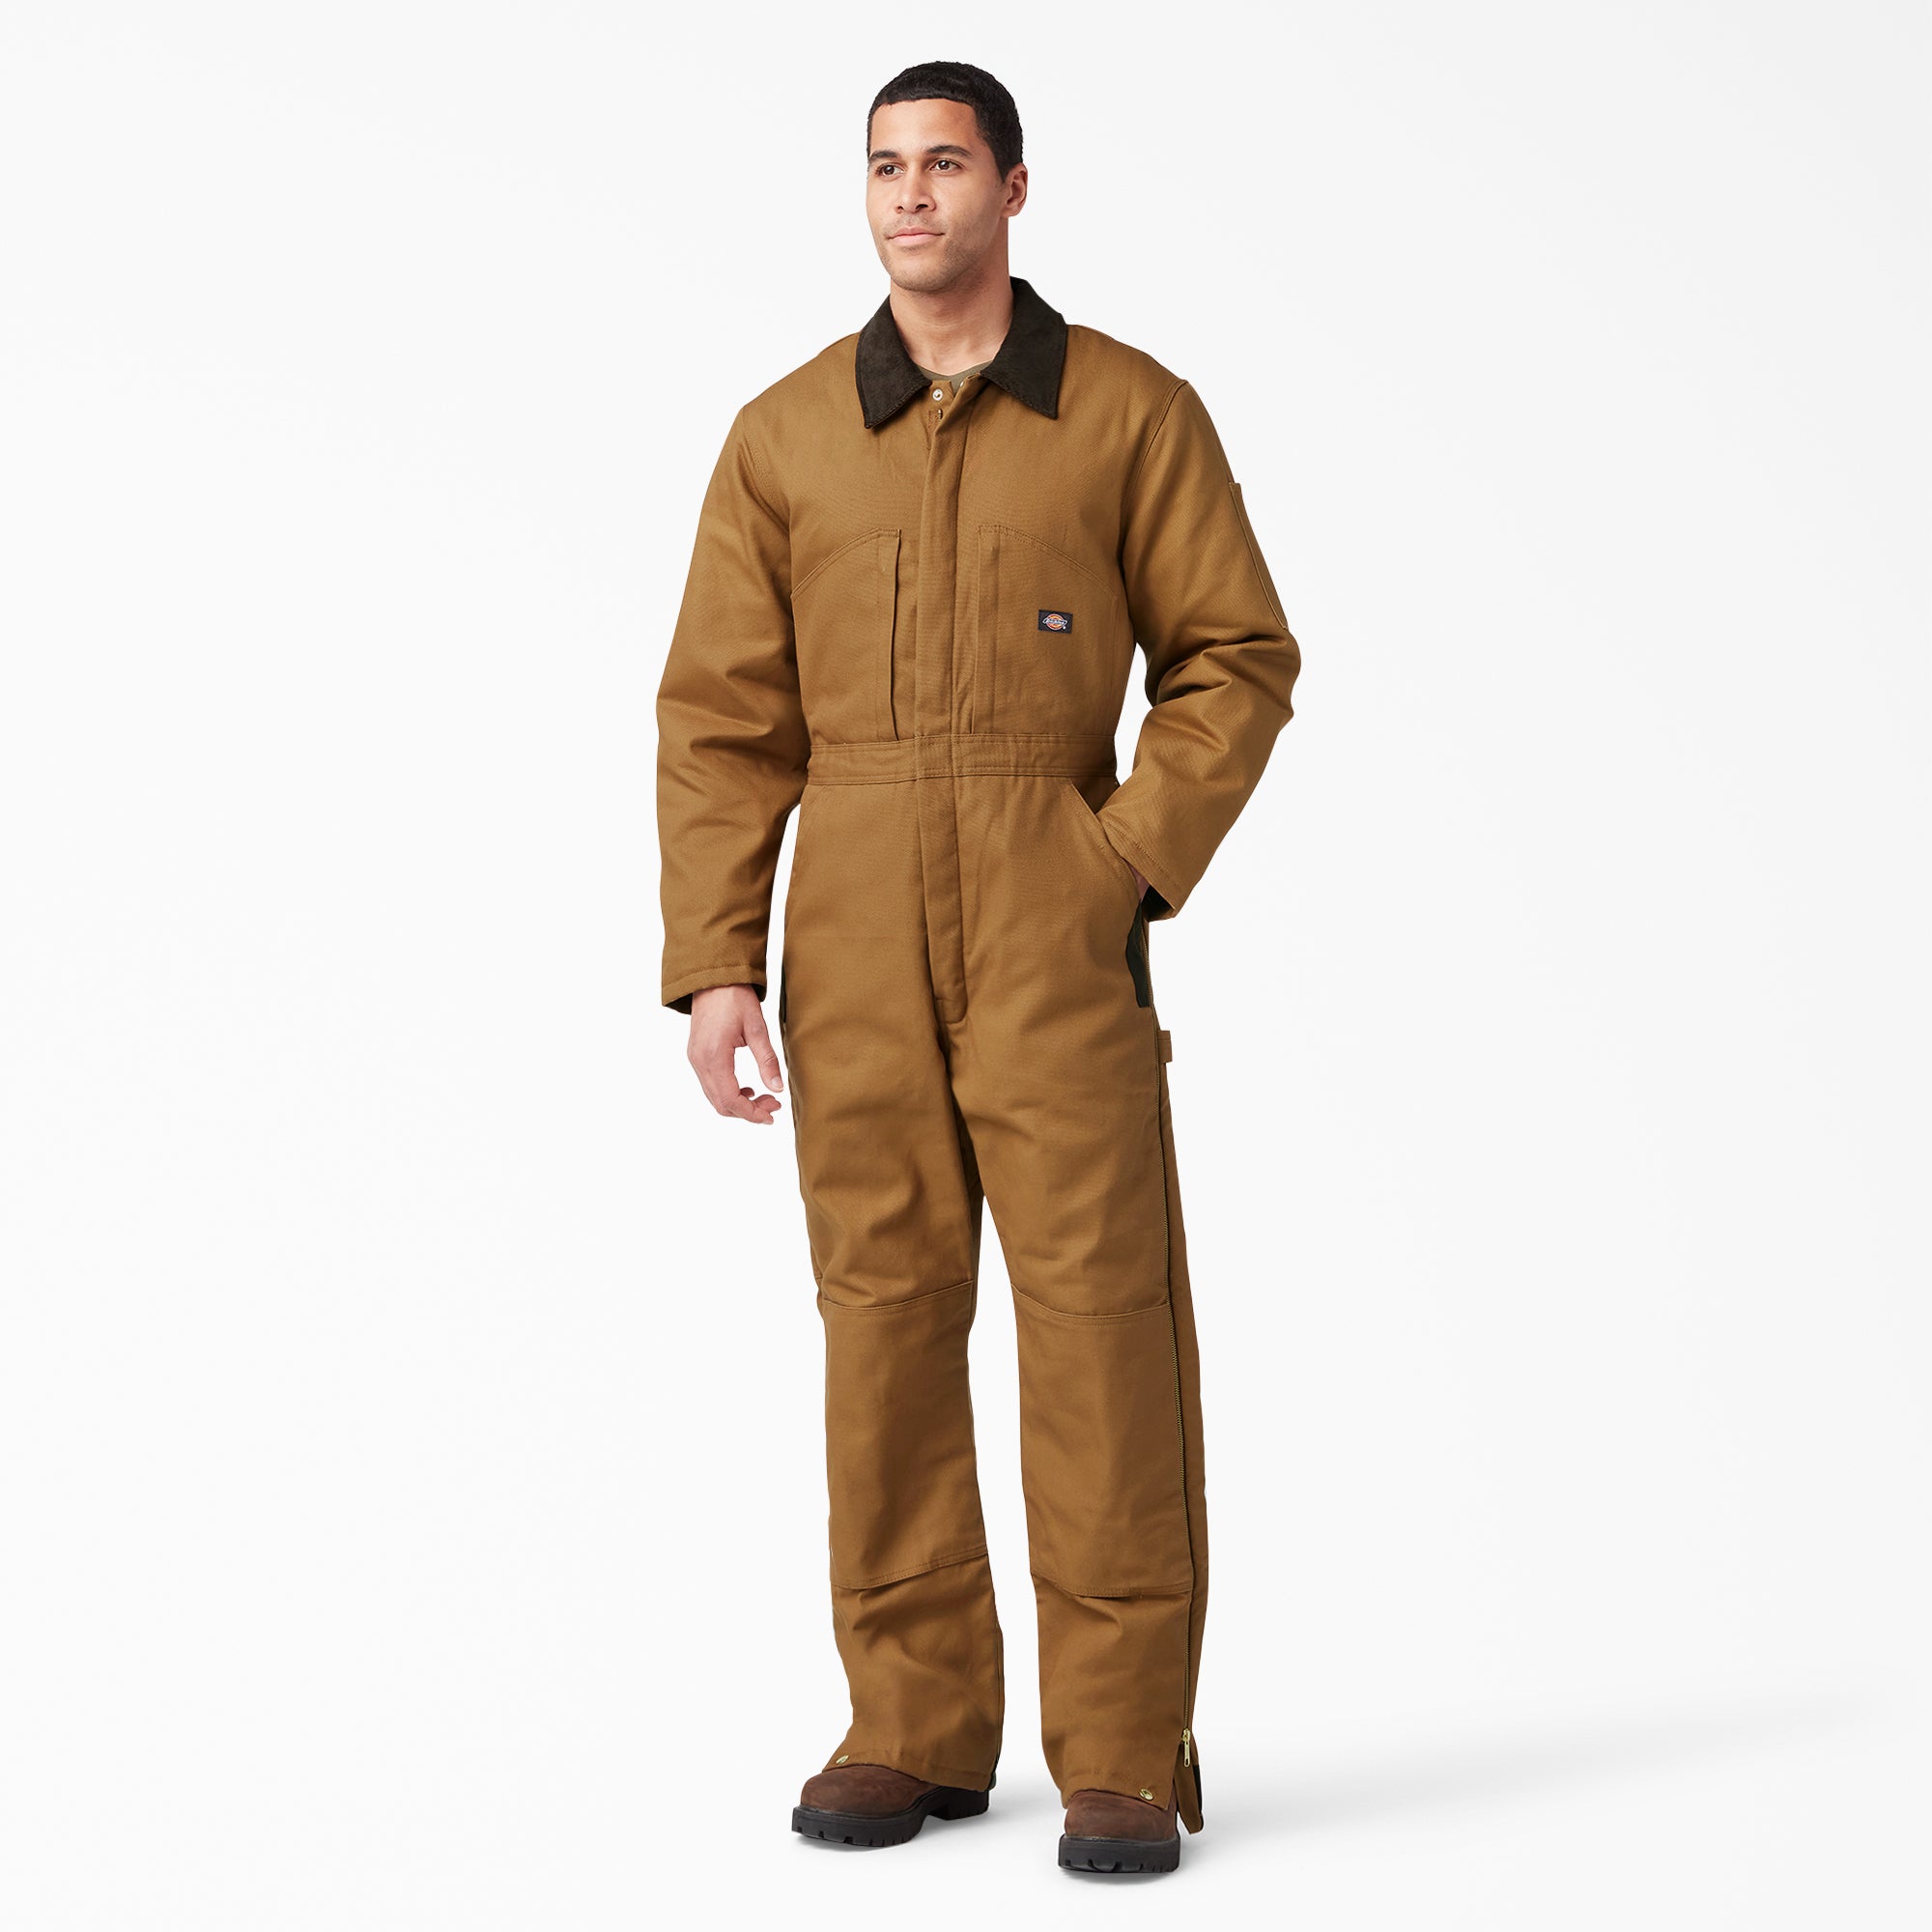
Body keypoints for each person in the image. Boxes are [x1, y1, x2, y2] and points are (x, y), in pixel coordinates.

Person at [656, 59, 1300, 1876]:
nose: (912, 194)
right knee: (880, 1321)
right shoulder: (787, 436)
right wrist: (718, 963)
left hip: (1050, 922)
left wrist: (1118, 861)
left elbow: (1236, 657)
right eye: (886, 166)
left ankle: (1120, 1753)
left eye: (946, 163)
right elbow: (721, 718)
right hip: (850, 925)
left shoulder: (1126, 414)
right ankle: (913, 1723)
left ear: (1015, 188)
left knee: (1100, 1328)